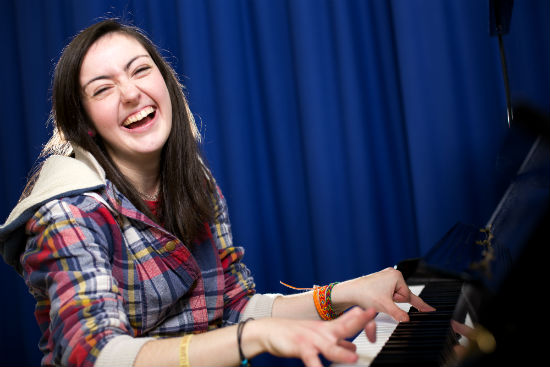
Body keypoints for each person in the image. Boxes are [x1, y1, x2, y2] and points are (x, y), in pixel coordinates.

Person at [0, 19, 433, 367]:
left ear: (166, 84)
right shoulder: (66, 213)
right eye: (103, 88)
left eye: (140, 69)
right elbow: (94, 356)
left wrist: (345, 292)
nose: (131, 93)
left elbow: (236, 307)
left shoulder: (196, 182)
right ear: (86, 123)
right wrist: (248, 339)